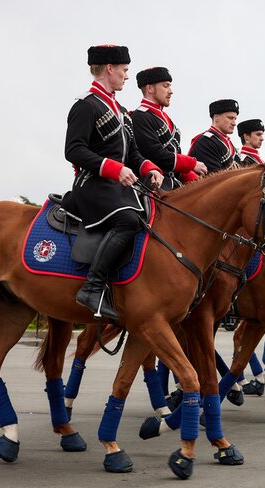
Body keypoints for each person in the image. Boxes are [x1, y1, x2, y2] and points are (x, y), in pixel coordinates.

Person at [65, 45, 164, 321]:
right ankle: (93, 288)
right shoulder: (86, 105)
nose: (126, 76)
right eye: (124, 70)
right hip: (92, 185)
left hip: (117, 186)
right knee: (129, 221)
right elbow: (73, 150)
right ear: (109, 69)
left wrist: (150, 168)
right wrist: (113, 168)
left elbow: (132, 153)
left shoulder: (120, 110)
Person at [130, 67, 206, 189]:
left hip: (173, 182)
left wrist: (196, 182)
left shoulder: (165, 118)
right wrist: (191, 163)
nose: (170, 91)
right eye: (166, 86)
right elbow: (155, 154)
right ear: (150, 88)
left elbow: (176, 158)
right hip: (155, 183)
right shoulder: (140, 116)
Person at [188, 99, 241, 174]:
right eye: (230, 118)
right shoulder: (205, 142)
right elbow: (213, 179)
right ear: (216, 117)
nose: (234, 123)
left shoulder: (228, 144)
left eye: (235, 119)